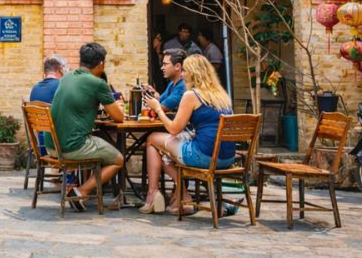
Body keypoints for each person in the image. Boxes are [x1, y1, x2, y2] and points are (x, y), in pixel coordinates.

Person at [140, 54, 237, 215]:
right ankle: (181, 197)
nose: (183, 75)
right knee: (166, 155)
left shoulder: (191, 95)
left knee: (152, 140)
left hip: (205, 156)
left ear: (194, 73)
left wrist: (157, 108)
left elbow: (173, 129)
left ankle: (155, 194)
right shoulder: (222, 95)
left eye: (185, 71)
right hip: (227, 157)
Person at [48, 43, 125, 206]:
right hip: (71, 147)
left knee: (97, 138)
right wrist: (116, 103)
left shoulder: (66, 77)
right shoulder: (97, 83)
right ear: (101, 64)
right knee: (118, 159)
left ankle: (86, 189)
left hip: (51, 145)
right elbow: (119, 117)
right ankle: (81, 191)